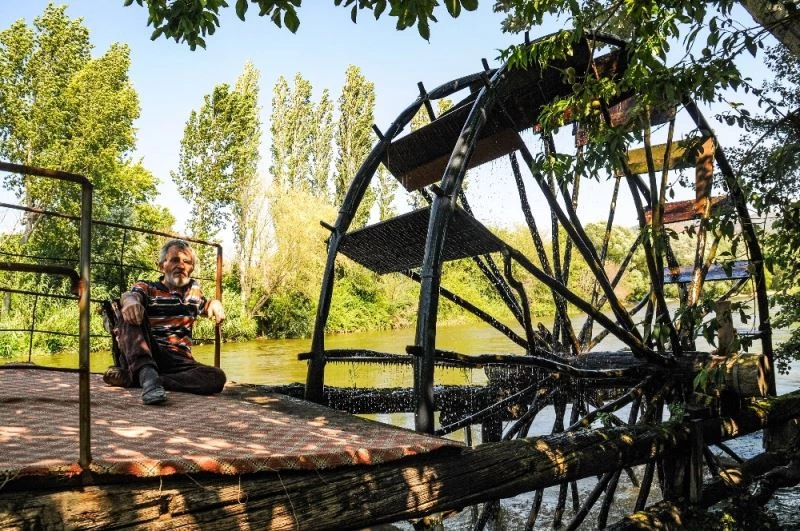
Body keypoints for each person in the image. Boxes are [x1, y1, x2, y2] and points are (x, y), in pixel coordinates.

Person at [103, 239, 227, 405]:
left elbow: (206, 305)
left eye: (187, 262)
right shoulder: (148, 288)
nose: (181, 266)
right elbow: (130, 296)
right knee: (130, 313)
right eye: (175, 260)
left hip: (179, 362)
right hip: (148, 352)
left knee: (216, 377)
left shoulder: (194, 293)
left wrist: (215, 304)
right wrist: (130, 302)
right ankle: (147, 375)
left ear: (191, 268)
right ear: (162, 266)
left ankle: (140, 378)